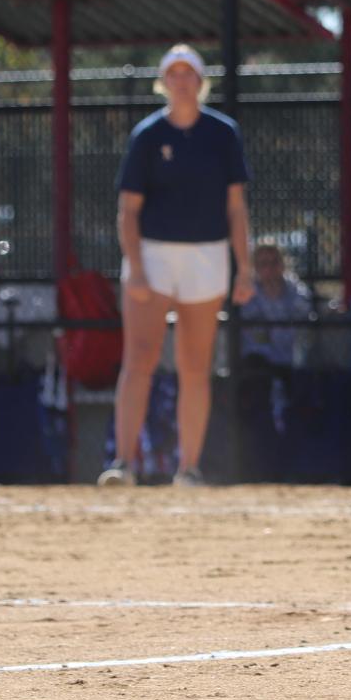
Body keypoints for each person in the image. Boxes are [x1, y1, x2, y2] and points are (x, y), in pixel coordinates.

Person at [101, 44, 255, 488]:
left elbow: (236, 207)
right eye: (174, 73)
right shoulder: (147, 135)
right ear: (164, 81)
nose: (182, 80)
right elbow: (127, 210)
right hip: (153, 255)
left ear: (200, 81)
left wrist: (242, 268)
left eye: (189, 73)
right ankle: (122, 464)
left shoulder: (223, 133)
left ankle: (188, 469)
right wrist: (137, 268)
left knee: (195, 366)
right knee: (140, 360)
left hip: (207, 257)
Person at [239, 242, 314, 369]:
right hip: (259, 361)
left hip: (293, 358)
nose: (270, 268)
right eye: (264, 264)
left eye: (275, 262)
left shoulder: (296, 289)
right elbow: (250, 326)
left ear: (283, 264)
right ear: (256, 267)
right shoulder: (249, 293)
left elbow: (304, 316)